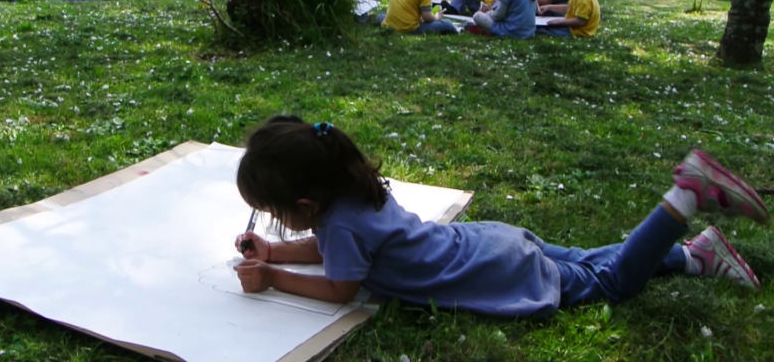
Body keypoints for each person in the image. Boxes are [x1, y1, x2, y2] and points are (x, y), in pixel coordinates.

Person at [232, 116, 767, 318]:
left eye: (274, 214)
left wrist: (274, 277)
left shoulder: (340, 225)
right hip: (488, 242)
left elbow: (340, 287)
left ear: (305, 204)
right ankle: (692, 256)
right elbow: (335, 252)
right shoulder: (352, 193)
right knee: (587, 260)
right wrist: (276, 250)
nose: (274, 221)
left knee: (612, 283)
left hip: (498, 272)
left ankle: (685, 199)